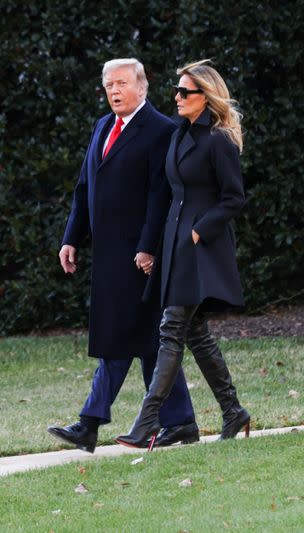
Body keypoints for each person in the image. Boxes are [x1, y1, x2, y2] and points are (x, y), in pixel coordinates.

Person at [47, 58, 199, 453]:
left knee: (118, 337)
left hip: (140, 258)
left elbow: (159, 195)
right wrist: (71, 238)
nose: (114, 91)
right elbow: (85, 188)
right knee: (148, 341)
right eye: (109, 84)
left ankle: (89, 422)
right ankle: (181, 421)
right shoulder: (102, 126)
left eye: (121, 83)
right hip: (108, 257)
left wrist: (148, 247)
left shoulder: (162, 130)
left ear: (142, 87)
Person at [116, 59, 250, 449]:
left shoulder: (219, 141)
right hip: (175, 245)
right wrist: (160, 243)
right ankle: (232, 410)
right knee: (193, 332)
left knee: (171, 329)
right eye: (176, 91)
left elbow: (233, 198)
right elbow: (171, 194)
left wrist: (197, 231)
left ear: (204, 98)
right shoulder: (179, 134)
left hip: (199, 249)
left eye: (184, 92)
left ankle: (146, 422)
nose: (176, 97)